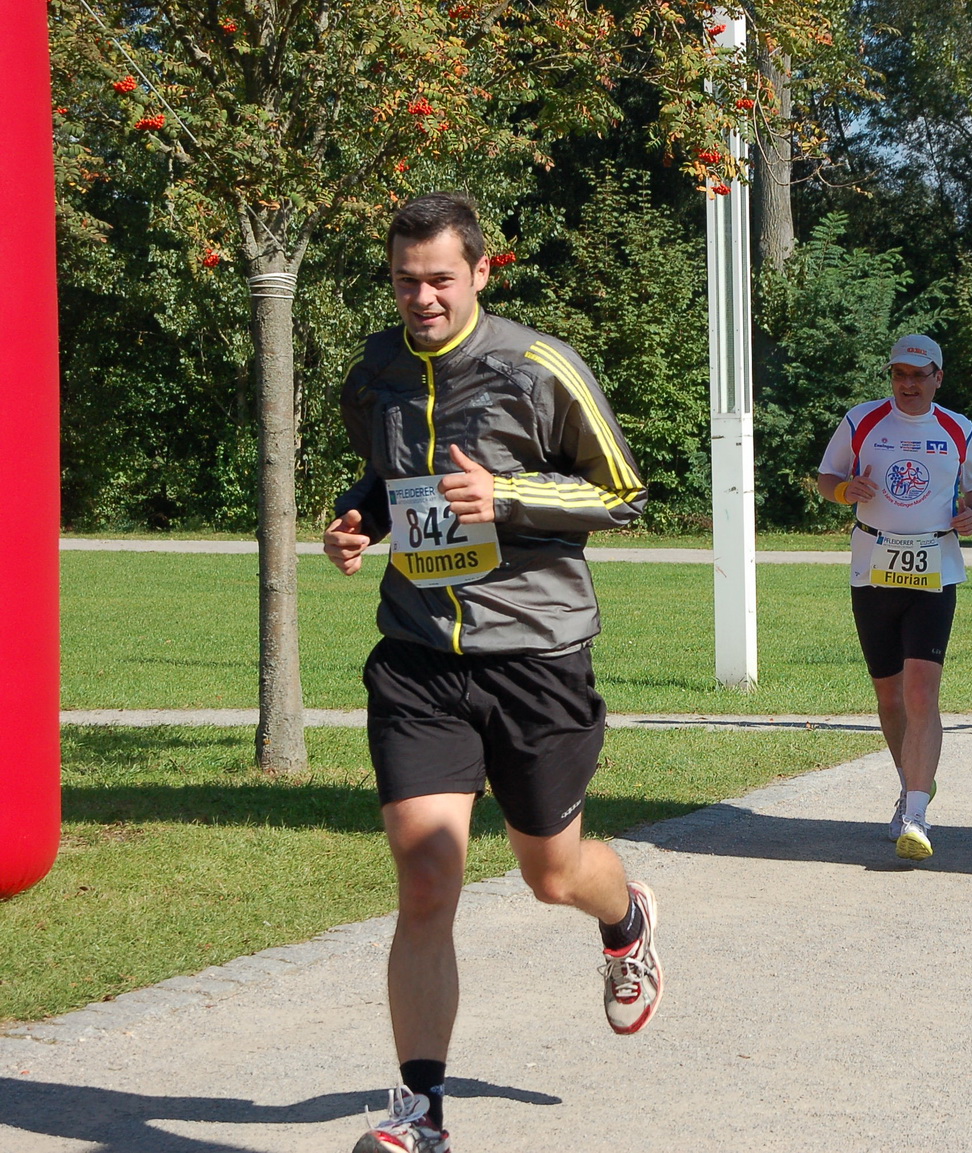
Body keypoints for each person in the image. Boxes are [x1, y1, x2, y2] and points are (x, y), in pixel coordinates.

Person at [324, 193, 663, 1153]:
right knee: (427, 876)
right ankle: (420, 1113)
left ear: (481, 271)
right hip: (420, 656)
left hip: (537, 657)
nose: (421, 296)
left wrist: (505, 492)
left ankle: (626, 914)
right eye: (404, 279)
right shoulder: (376, 374)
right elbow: (388, 482)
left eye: (439, 277)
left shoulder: (536, 365)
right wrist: (355, 523)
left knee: (551, 874)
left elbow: (625, 495)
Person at [817, 335, 972, 861]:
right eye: (899, 374)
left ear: (938, 377)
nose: (908, 384)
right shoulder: (861, 421)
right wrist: (846, 491)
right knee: (889, 697)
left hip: (935, 569)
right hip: (874, 569)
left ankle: (917, 813)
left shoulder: (958, 428)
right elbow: (826, 478)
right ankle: (910, 782)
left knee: (920, 694)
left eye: (919, 375)